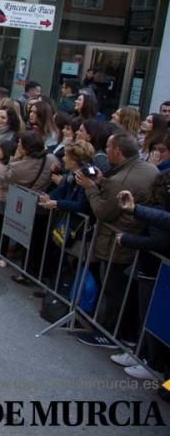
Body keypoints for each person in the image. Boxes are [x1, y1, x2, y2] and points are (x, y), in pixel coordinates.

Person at [75, 132, 158, 347]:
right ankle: (121, 333)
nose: (106, 151)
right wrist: (103, 182)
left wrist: (91, 188)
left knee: (112, 291)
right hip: (132, 240)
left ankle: (107, 333)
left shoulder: (120, 180)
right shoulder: (149, 169)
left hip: (116, 243)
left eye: (109, 147)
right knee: (121, 292)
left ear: (117, 152)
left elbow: (103, 211)